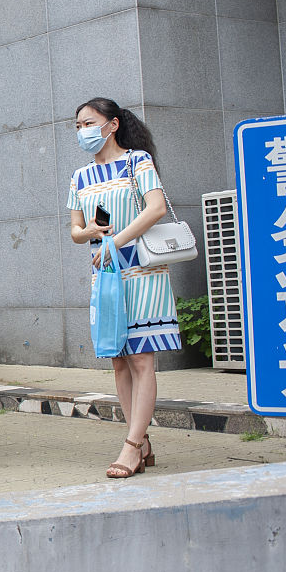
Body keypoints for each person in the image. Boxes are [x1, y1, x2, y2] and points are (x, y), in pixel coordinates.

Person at [68, 97, 179, 478]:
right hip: (105, 274)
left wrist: (115, 242)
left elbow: (156, 208)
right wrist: (89, 232)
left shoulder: (137, 161)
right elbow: (75, 231)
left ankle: (131, 447)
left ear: (112, 124)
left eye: (89, 123)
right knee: (118, 358)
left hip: (143, 272)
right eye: (78, 126)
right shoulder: (80, 177)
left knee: (142, 358)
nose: (83, 131)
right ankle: (141, 441)